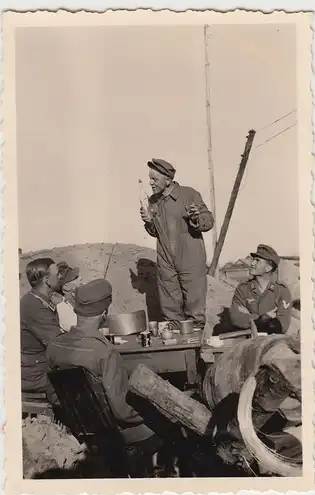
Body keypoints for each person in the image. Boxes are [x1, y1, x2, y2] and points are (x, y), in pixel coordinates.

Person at [46, 278, 161, 450]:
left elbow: (53, 396)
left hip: (79, 428)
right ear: (104, 313)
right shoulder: (105, 352)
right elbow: (121, 411)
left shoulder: (54, 345)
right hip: (115, 433)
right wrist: (152, 412)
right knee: (169, 428)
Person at [140, 158, 214, 330]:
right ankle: (177, 350)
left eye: (154, 179)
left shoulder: (189, 195)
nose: (150, 183)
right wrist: (149, 222)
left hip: (190, 260)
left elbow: (208, 221)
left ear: (168, 179)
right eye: (150, 179)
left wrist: (196, 217)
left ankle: (195, 351)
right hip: (166, 262)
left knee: (195, 311)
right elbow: (155, 233)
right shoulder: (153, 201)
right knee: (170, 310)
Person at [20, 258, 62, 400]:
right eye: (57, 274)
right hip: (34, 374)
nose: (60, 276)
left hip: (37, 368)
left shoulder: (37, 300)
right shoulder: (35, 307)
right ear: (47, 280)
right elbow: (57, 343)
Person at [229, 244, 292, 334]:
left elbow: (282, 326)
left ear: (268, 268)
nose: (252, 263)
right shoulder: (243, 289)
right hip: (247, 340)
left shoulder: (281, 291)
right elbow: (236, 319)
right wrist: (262, 318)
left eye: (257, 261)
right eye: (253, 260)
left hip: (271, 342)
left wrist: (250, 317)